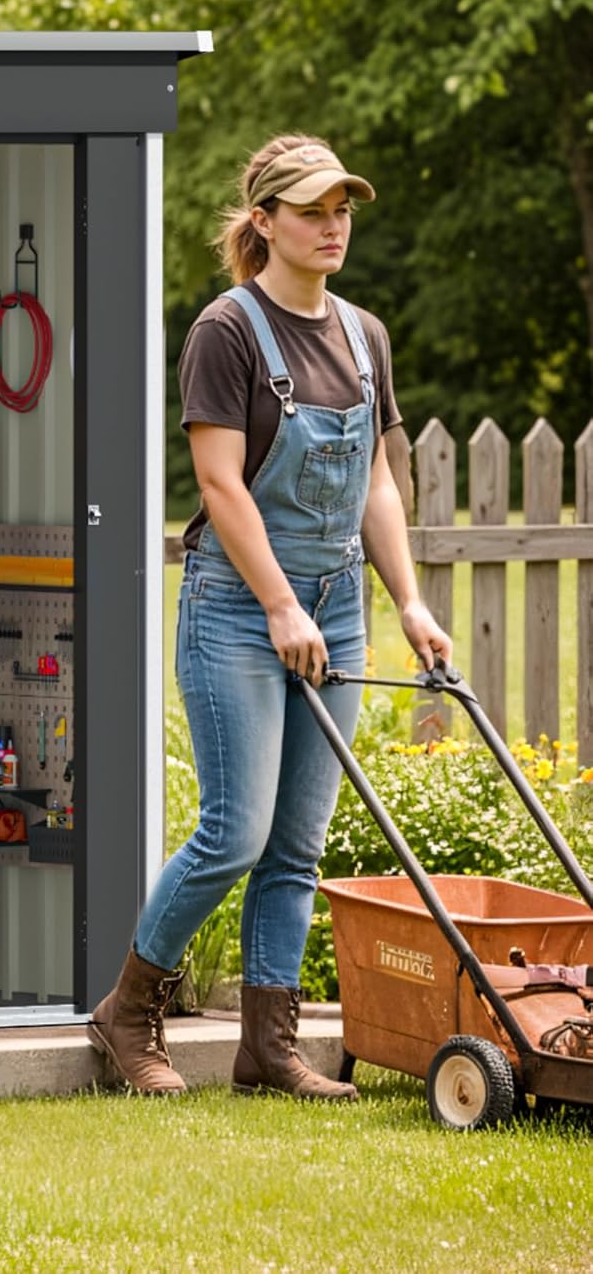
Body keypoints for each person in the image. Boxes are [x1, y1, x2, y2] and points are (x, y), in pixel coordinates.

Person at [87, 134, 452, 1099]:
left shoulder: (363, 335)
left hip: (335, 613)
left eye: (343, 211)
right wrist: (280, 603)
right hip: (238, 613)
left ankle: (269, 1047)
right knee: (234, 833)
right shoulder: (229, 330)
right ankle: (127, 1015)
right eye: (311, 211)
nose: (333, 227)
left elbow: (377, 481)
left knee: (296, 843)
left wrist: (409, 602)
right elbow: (220, 482)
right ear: (264, 221)